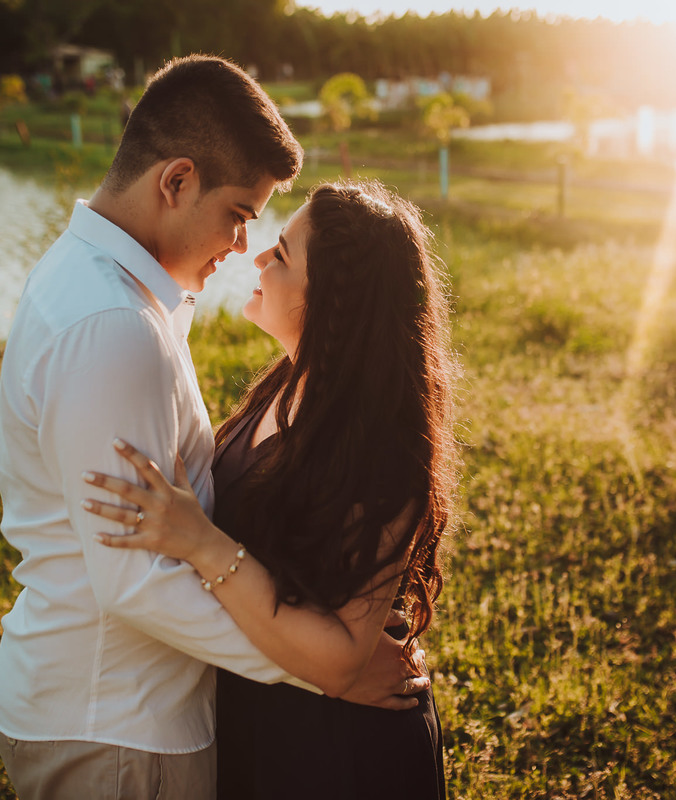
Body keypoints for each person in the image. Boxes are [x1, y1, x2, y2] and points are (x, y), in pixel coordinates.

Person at [0, 57, 426, 800]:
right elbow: (133, 581)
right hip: (119, 720)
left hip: (128, 712)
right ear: (176, 181)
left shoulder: (107, 291)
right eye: (238, 214)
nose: (239, 246)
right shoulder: (112, 325)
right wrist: (329, 669)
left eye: (263, 233)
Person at [83, 180, 457, 799]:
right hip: (262, 722)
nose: (257, 257)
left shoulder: (384, 449)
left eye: (281, 253)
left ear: (332, 301)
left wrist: (202, 545)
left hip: (341, 754)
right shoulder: (284, 385)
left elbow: (340, 659)